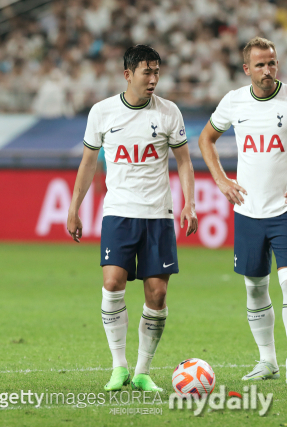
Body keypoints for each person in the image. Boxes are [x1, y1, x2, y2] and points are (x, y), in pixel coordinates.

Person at [198, 37, 287, 384]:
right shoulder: (233, 102)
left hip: (286, 209)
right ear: (247, 69)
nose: (268, 70)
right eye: (261, 65)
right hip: (248, 211)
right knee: (254, 287)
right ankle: (268, 361)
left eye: (272, 63)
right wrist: (221, 180)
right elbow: (206, 138)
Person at [67, 45, 198, 392]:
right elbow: (88, 163)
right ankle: (118, 365)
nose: (154, 79)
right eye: (147, 72)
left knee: (157, 294)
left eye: (157, 72)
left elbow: (184, 161)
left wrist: (189, 203)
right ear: (128, 75)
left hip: (158, 215)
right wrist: (74, 207)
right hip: (119, 212)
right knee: (112, 283)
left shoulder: (170, 113)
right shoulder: (102, 112)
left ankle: (142, 371)